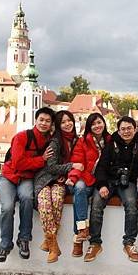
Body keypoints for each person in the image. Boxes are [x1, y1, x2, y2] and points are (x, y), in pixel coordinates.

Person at [0, 107, 55, 262]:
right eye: (41, 120)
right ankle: (5, 244)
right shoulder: (21, 137)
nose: (44, 123)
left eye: (48, 121)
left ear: (51, 124)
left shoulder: (50, 141)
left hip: (27, 178)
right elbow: (18, 163)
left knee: (27, 198)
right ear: (36, 120)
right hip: (9, 176)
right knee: (7, 207)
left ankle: (24, 239)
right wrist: (41, 160)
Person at [84, 116, 138, 263]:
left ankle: (129, 243)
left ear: (135, 129)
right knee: (96, 205)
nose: (126, 132)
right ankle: (95, 243)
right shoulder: (110, 145)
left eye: (129, 128)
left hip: (128, 183)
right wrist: (102, 185)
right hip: (108, 181)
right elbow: (101, 168)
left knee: (132, 204)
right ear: (118, 131)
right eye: (123, 129)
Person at [34, 110, 82, 263]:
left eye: (69, 121)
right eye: (63, 122)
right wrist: (71, 166)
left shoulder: (75, 139)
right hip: (46, 179)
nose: (67, 124)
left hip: (61, 181)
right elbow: (51, 167)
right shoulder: (55, 142)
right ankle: (54, 246)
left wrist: (68, 172)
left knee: (57, 200)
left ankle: (49, 240)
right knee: (44, 202)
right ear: (58, 126)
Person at [65, 113, 112, 257]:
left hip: (102, 181)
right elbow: (78, 162)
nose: (97, 126)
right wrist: (72, 178)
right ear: (89, 127)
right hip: (86, 177)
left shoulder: (111, 140)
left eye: (99, 122)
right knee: (79, 188)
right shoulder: (83, 141)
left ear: (104, 123)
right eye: (93, 124)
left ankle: (77, 240)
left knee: (79, 197)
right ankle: (82, 230)